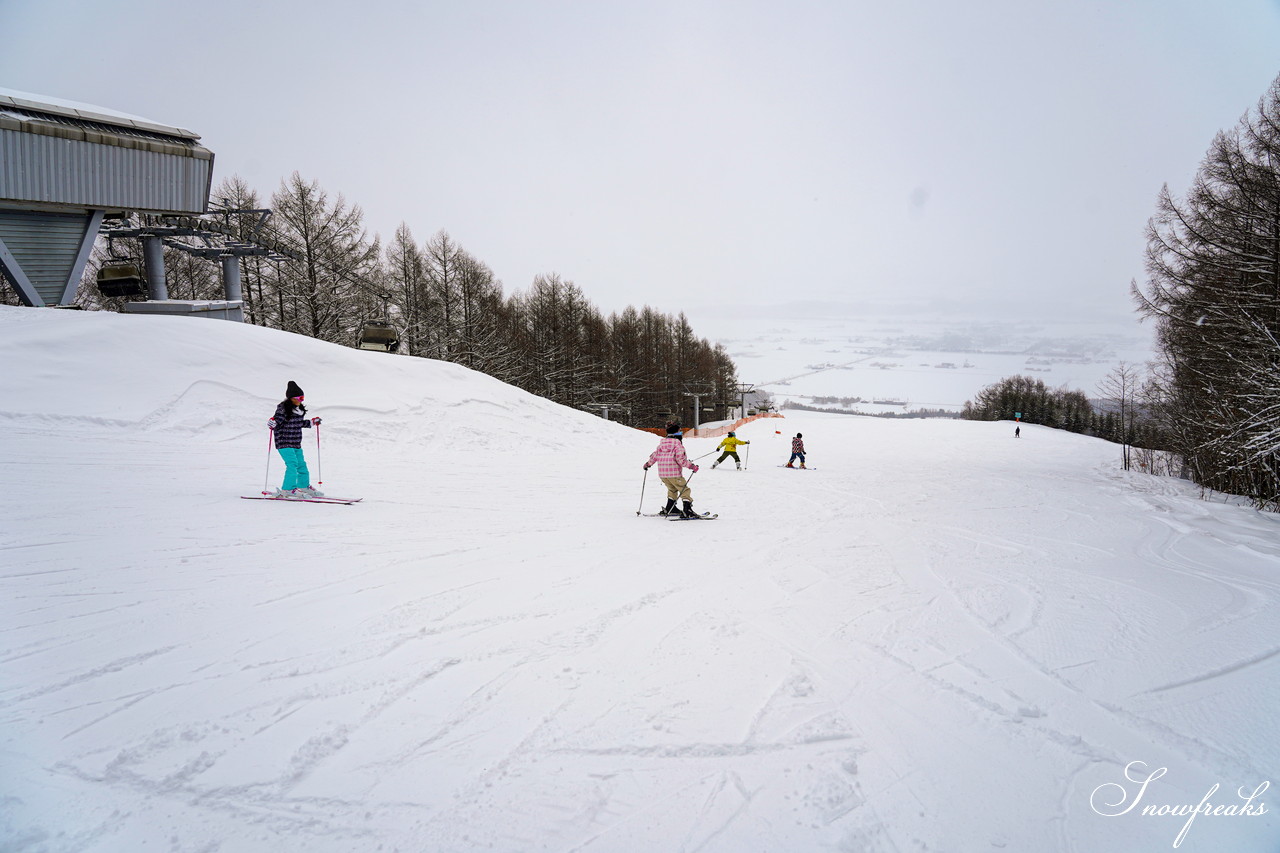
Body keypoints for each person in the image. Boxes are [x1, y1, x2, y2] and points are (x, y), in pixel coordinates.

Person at [268, 380, 323, 498]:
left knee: (301, 465)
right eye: (299, 398)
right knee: (292, 464)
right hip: (283, 442)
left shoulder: (299, 411)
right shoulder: (283, 409)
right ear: (291, 398)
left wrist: (312, 422)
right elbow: (277, 422)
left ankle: (303, 486)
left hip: (296, 442)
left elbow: (298, 423)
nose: (301, 400)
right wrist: (272, 423)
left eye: (302, 398)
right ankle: (288, 489)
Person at [643, 422, 701, 517]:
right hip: (674, 474)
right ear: (676, 434)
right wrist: (692, 466)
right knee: (684, 490)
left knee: (672, 489)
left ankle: (670, 508)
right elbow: (681, 460)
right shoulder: (678, 445)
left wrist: (647, 464)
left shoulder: (661, 445)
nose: (681, 433)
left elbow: (654, 456)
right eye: (680, 432)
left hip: (663, 475)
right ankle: (687, 510)